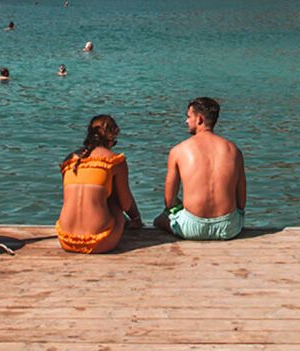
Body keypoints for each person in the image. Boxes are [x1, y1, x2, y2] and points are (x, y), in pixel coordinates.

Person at [154, 97, 246, 241]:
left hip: (192, 227)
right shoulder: (234, 151)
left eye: (188, 117)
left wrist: (182, 206)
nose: (186, 121)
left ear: (200, 119)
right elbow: (241, 202)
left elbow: (169, 200)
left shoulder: (178, 150)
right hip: (229, 227)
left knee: (160, 219)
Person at [56, 115, 141, 254]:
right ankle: (136, 221)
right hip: (99, 241)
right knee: (114, 197)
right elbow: (125, 204)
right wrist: (136, 218)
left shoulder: (70, 160)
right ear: (112, 137)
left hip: (65, 239)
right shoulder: (114, 161)